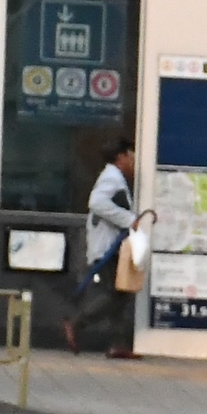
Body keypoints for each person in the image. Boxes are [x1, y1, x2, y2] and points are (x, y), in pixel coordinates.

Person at [70, 138, 140, 358]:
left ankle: (118, 344)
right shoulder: (112, 177)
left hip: (112, 245)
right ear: (121, 157)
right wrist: (128, 219)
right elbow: (97, 202)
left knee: (122, 294)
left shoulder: (115, 178)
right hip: (108, 247)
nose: (134, 160)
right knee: (115, 293)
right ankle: (77, 323)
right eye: (131, 155)